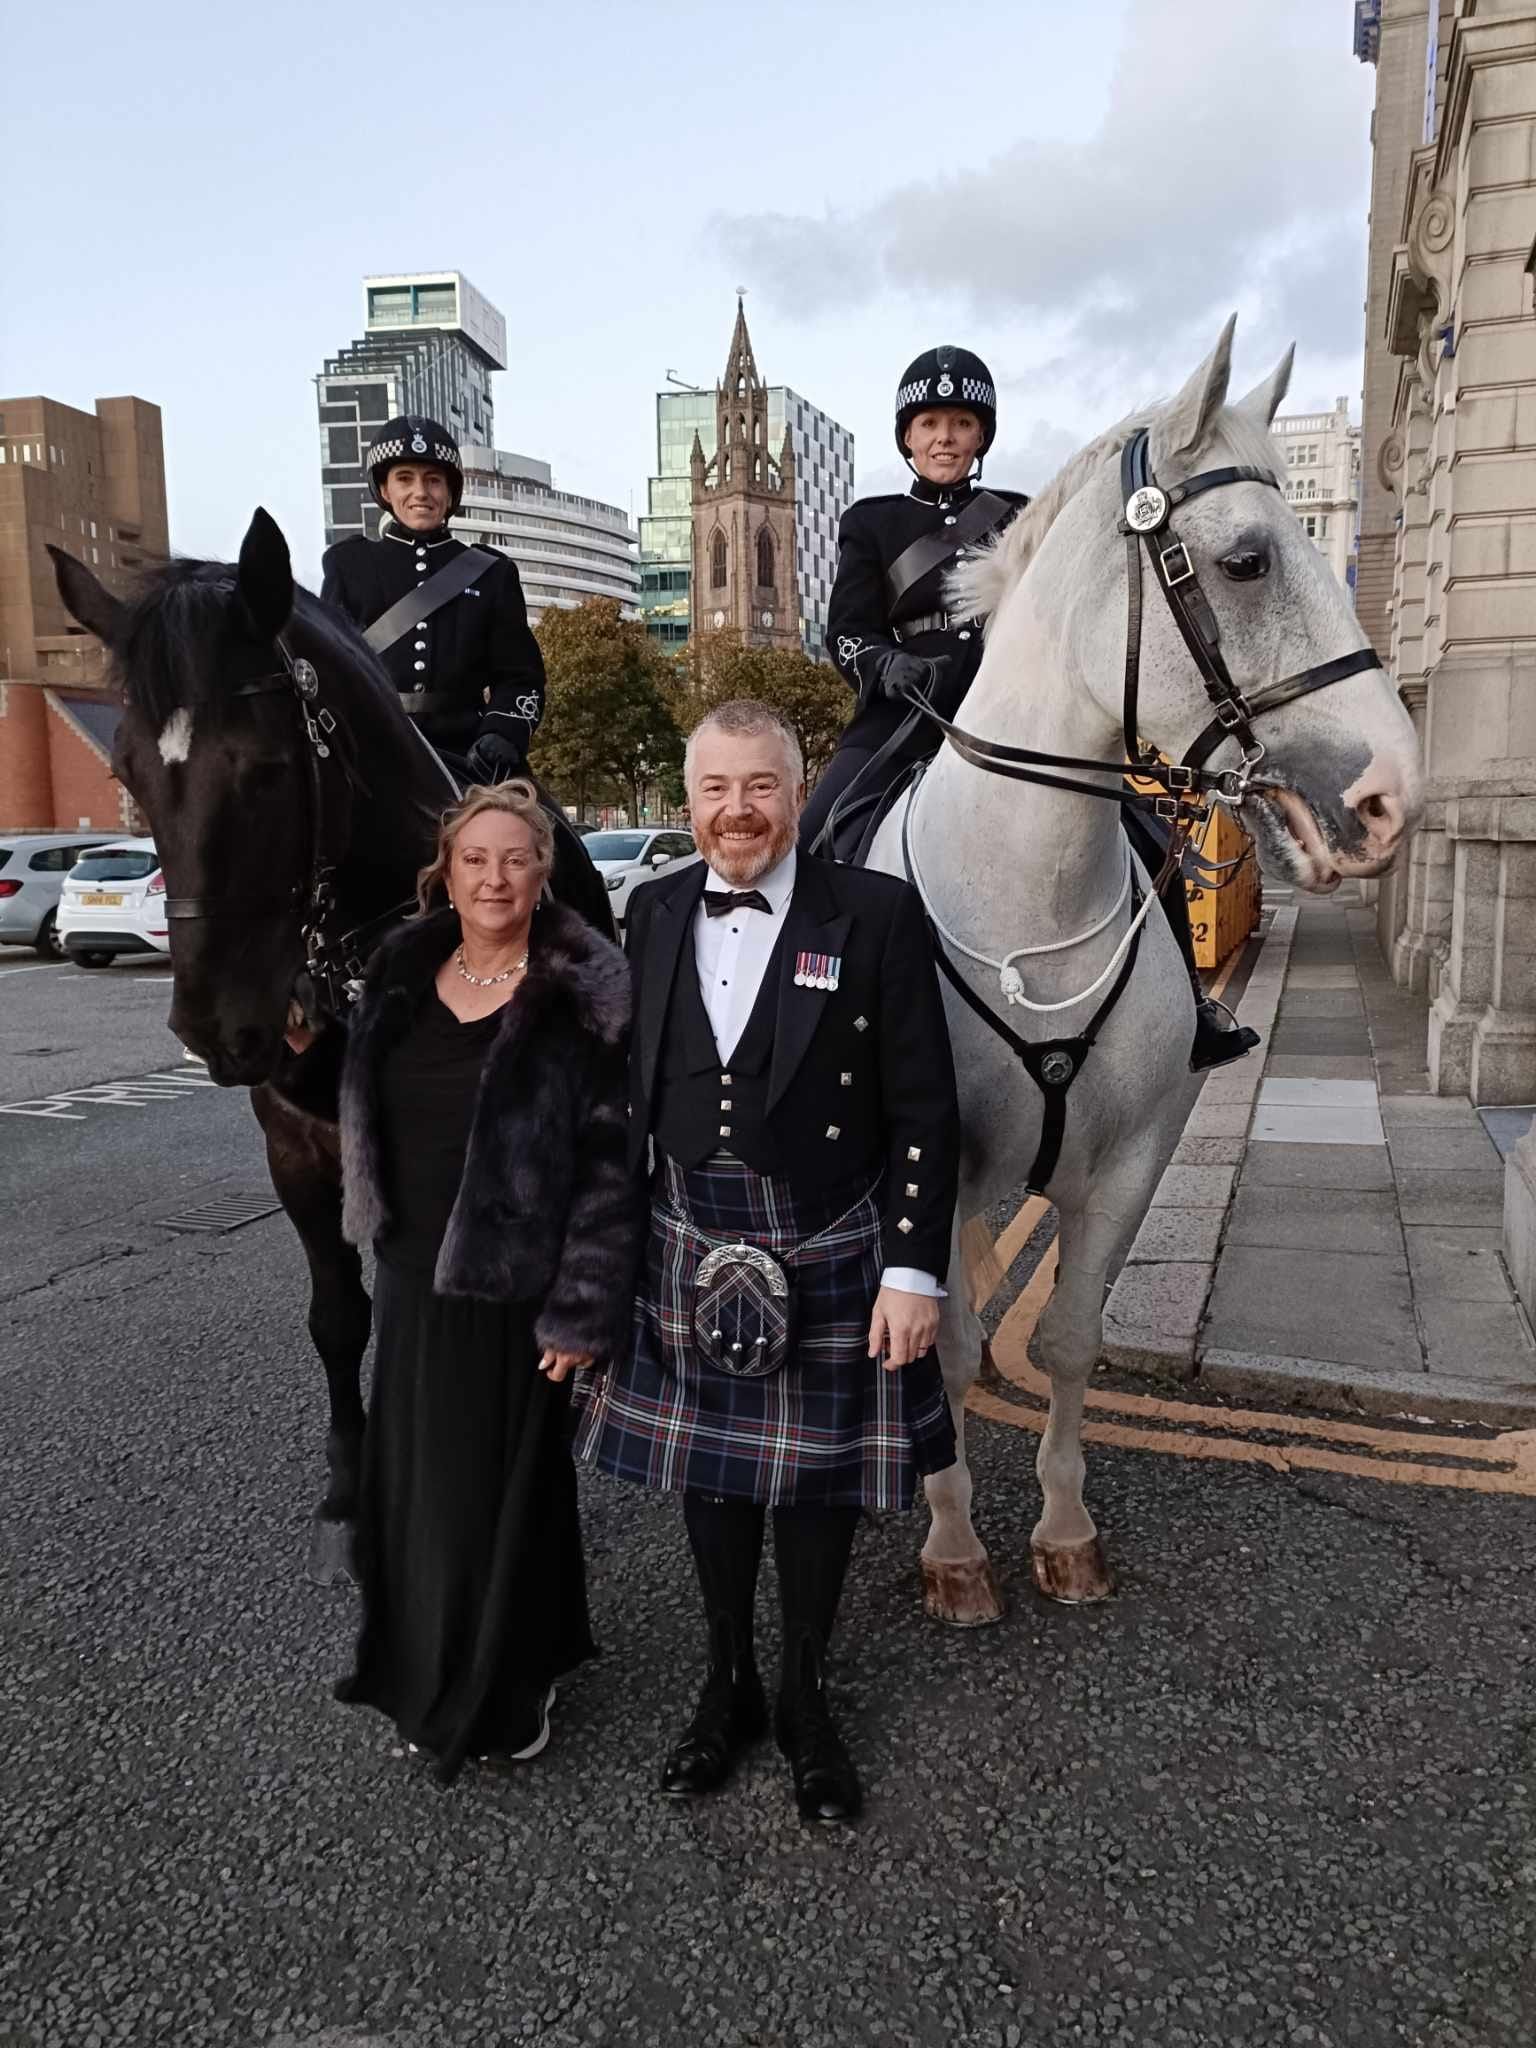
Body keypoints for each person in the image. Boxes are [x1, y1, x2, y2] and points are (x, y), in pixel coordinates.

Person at [574, 700, 960, 1825]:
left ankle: (802, 1693)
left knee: (819, 1479)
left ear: (798, 793)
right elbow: (620, 1091)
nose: (736, 810)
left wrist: (912, 1270)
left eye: (759, 786)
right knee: (712, 1475)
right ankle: (725, 1679)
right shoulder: (647, 911)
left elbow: (925, 1105)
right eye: (713, 789)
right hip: (689, 1233)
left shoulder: (875, 912)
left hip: (830, 1235)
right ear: (687, 799)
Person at [800, 347, 1257, 1073]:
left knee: (1138, 830)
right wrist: (882, 662)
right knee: (819, 831)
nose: (944, 437)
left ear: (980, 435)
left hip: (1012, 712)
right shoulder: (871, 521)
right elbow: (847, 630)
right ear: (907, 437)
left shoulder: (1018, 516)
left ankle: (1191, 1004)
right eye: (928, 423)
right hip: (903, 717)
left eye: (960, 422)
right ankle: (806, 1008)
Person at [335, 780, 637, 1783]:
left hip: (520, 1285)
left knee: (503, 1492)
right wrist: (295, 1056)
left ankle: (514, 1679)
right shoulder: (403, 962)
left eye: (515, 857)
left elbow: (608, 1157)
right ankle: (422, 1665)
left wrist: (583, 1303)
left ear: (543, 869)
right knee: (417, 1490)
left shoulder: (584, 980)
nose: (495, 876)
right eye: (476, 859)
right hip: (412, 1270)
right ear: (447, 871)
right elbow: (356, 1096)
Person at [321, 416, 612, 933]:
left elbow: (520, 677)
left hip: (469, 753)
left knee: (563, 846)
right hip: (372, 754)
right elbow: (329, 672)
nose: (420, 493)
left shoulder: (490, 571)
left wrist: (502, 731)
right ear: (384, 489)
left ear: (451, 492)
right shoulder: (349, 565)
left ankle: (597, 965)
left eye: (434, 480)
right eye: (406, 479)